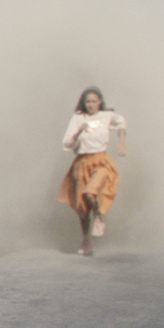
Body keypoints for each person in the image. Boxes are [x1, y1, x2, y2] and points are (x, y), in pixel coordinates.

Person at [57, 86, 127, 256]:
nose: (91, 104)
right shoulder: (78, 118)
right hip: (82, 162)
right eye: (88, 101)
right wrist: (79, 132)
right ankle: (86, 240)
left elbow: (121, 122)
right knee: (82, 208)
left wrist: (122, 143)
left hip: (101, 161)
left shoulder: (107, 115)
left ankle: (99, 218)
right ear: (84, 102)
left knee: (90, 192)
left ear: (99, 102)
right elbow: (67, 144)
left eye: (94, 101)